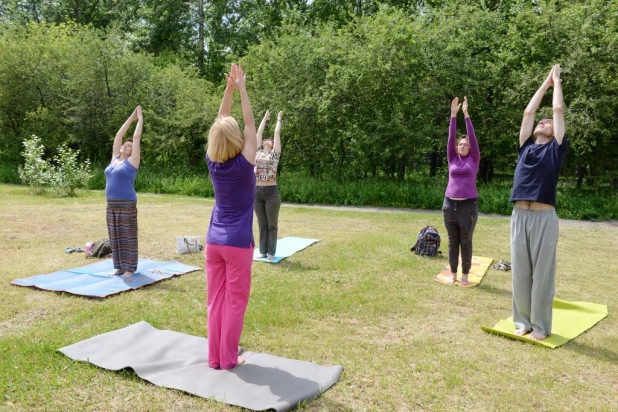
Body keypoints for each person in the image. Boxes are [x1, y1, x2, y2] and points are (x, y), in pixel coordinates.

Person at [510, 64, 567, 341]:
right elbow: (528, 112)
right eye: (540, 122)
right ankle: (522, 321)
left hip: (544, 218)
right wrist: (543, 84)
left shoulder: (556, 150)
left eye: (546, 122)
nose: (542, 122)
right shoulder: (525, 148)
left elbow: (557, 111)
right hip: (519, 215)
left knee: (542, 275)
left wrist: (557, 83)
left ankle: (541, 326)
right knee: (520, 272)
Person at [205, 64, 256, 369]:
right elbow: (250, 123)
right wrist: (242, 88)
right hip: (238, 244)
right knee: (234, 303)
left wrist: (229, 90)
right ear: (236, 137)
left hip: (214, 242)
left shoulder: (213, 161)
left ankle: (215, 358)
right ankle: (228, 358)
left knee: (215, 302)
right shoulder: (244, 162)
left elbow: (220, 123)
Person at [443, 96, 480, 287]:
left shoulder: (473, 159)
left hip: (468, 205)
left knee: (465, 242)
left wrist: (466, 115)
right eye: (460, 144)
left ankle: (465, 275)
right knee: (452, 241)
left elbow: (472, 136)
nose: (462, 145)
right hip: (449, 204)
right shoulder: (452, 158)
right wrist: (453, 115)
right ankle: (453, 274)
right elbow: (450, 137)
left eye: (465, 144)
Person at [105, 106, 143, 278]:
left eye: (129, 147)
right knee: (115, 235)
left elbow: (135, 137)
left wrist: (140, 118)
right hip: (111, 204)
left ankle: (129, 268)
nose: (125, 147)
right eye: (124, 145)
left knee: (128, 236)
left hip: (127, 203)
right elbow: (119, 135)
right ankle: (119, 266)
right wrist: (130, 117)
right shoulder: (114, 158)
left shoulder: (132, 162)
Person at [254, 110, 284, 260]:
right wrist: (264, 119)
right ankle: (262, 250)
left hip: (272, 192)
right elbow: (258, 133)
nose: (267, 140)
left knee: (272, 224)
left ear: (272, 145)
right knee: (262, 223)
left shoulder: (274, 155)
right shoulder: (257, 152)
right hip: (257, 191)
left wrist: (278, 119)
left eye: (269, 140)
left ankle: (271, 252)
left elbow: (277, 133)